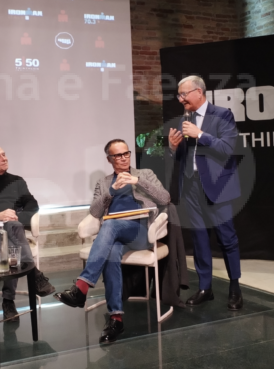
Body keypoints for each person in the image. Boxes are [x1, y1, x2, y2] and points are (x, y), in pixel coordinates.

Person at [55, 139, 171, 343]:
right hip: (115, 235)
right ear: (109, 159)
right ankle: (116, 319)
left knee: (110, 225)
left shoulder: (145, 174)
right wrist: (111, 191)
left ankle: (81, 287)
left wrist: (137, 181)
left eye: (126, 153)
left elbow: (164, 198)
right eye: (118, 155)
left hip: (140, 232)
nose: (124, 158)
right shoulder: (104, 182)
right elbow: (94, 212)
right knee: (110, 252)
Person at [167, 75, 243, 310]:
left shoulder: (222, 115)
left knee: (227, 239)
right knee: (199, 239)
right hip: (191, 187)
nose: (181, 99)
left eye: (184, 94)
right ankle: (205, 287)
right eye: (179, 95)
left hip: (217, 187)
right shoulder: (185, 120)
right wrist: (173, 148)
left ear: (199, 92)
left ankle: (234, 287)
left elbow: (228, 149)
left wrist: (200, 134)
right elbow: (184, 156)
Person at [0, 146, 56, 322]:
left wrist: (17, 217)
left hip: (12, 228)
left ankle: (8, 302)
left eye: (4, 155)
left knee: (12, 239)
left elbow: (32, 204)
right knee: (13, 231)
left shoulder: (17, 181)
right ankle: (34, 276)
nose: (4, 158)